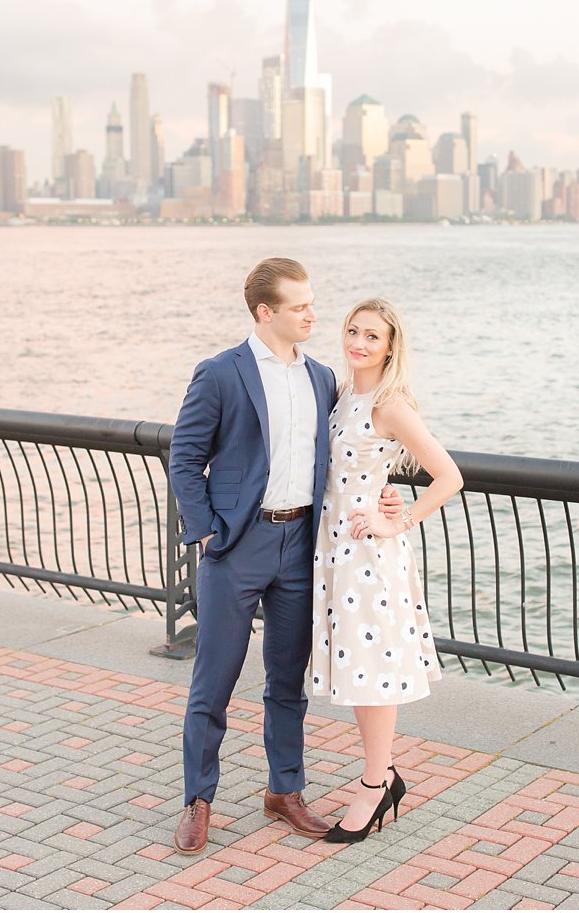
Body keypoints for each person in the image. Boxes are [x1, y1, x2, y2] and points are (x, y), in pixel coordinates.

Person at [168, 259, 405, 856]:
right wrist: (206, 532)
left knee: (286, 683)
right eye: (300, 306)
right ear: (265, 312)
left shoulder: (325, 378)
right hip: (236, 546)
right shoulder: (220, 373)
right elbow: (185, 458)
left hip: (303, 548)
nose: (313, 314)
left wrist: (388, 495)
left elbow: (356, 453)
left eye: (313, 303)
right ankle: (199, 800)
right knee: (213, 681)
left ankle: (285, 792)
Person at [310, 297, 463, 844]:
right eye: (353, 331)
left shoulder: (390, 402)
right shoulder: (341, 393)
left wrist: (398, 521)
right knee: (357, 673)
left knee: (371, 674)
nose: (359, 343)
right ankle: (383, 776)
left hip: (368, 557)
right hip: (334, 551)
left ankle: (376, 784)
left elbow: (449, 476)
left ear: (390, 345)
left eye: (373, 336)